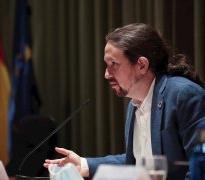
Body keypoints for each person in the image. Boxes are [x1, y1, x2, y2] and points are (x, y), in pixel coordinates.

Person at [43, 23, 205, 179]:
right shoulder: (134, 105)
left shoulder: (183, 95)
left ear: (141, 65)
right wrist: (84, 165)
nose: (106, 74)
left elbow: (201, 167)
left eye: (114, 64)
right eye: (107, 65)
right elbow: (136, 164)